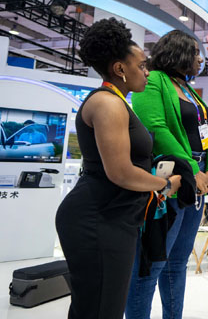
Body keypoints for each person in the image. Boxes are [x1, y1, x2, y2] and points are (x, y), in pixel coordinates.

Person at [55, 18, 182, 319]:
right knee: (101, 309)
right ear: (120, 69)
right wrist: (164, 185)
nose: (147, 72)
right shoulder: (108, 104)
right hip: (97, 220)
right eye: (142, 66)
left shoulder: (118, 103)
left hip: (113, 217)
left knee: (100, 307)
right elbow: (120, 172)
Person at [126, 30, 208, 318]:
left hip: (196, 184)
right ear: (178, 52)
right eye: (195, 52)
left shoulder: (189, 90)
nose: (200, 59)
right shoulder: (154, 80)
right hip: (170, 181)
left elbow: (207, 136)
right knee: (151, 265)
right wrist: (191, 169)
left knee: (178, 264)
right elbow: (155, 128)